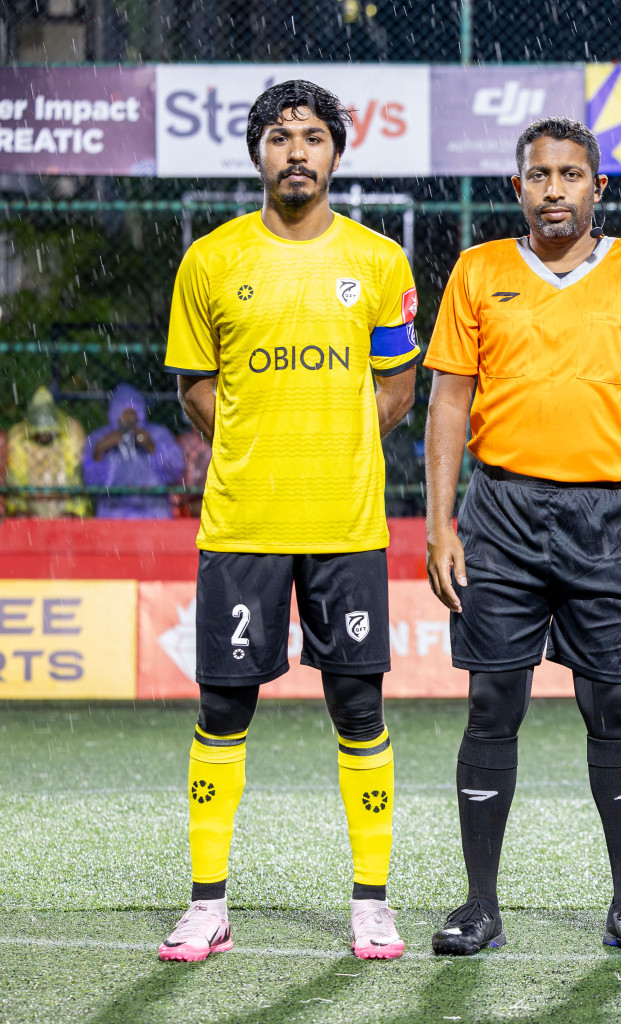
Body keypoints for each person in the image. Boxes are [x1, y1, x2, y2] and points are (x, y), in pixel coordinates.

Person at [423, 116, 621, 957]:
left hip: (610, 518)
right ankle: (479, 905)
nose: (555, 190)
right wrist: (439, 524)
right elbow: (448, 402)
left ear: (597, 187)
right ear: (518, 189)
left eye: (571, 175)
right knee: (491, 703)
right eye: (539, 176)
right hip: (501, 514)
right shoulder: (479, 271)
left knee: (611, 704)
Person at [158, 80, 421, 962]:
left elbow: (397, 388)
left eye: (312, 136)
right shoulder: (209, 261)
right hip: (243, 524)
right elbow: (197, 387)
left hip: (346, 524)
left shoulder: (380, 261)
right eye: (279, 137)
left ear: (336, 153)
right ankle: (207, 904)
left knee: (359, 705)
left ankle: (372, 903)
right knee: (223, 706)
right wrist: (257, 444)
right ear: (257, 154)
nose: (296, 151)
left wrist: (333, 442)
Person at [82, 384, 184, 519]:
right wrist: (100, 450)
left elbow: (175, 474)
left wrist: (152, 447)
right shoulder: (99, 438)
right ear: (115, 413)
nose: (129, 418)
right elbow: (92, 484)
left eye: (133, 412)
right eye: (124, 412)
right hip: (112, 515)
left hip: (154, 514)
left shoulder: (158, 435)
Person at [5, 386, 88, 519]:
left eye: (48, 431)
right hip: (30, 512)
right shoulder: (19, 439)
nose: (44, 435)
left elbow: (76, 481)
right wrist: (19, 509)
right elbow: (14, 483)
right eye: (40, 431)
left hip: (63, 511)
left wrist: (73, 512)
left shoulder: (71, 435)